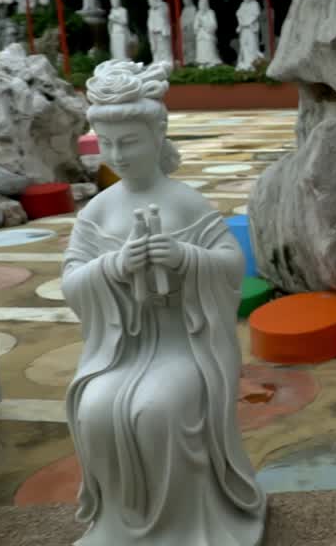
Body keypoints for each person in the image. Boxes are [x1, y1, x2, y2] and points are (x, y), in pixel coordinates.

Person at [63, 61, 266, 545]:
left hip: (181, 344)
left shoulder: (186, 202)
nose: (117, 154)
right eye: (106, 144)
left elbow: (231, 265)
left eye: (128, 141)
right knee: (95, 408)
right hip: (122, 347)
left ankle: (188, 528)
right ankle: (120, 528)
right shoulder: (98, 211)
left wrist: (184, 257)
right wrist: (115, 267)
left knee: (158, 408)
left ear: (157, 134)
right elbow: (72, 282)